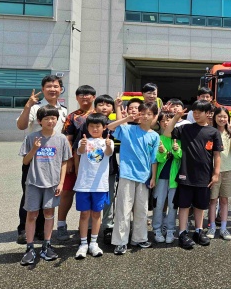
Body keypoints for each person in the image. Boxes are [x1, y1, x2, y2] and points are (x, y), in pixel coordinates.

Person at [15, 75, 68, 244]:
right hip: (34, 158)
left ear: (60, 89)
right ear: (43, 89)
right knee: (29, 194)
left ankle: (40, 230)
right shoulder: (34, 107)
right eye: (49, 86)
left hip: (52, 160)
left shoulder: (63, 110)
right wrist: (27, 106)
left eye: (56, 86)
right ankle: (24, 229)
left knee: (49, 194)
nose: (53, 89)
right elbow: (21, 126)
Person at [165, 100, 223, 250]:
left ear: (208, 113)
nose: (196, 115)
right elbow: (167, 133)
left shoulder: (213, 132)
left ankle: (198, 231)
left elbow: (217, 155)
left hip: (204, 175)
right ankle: (182, 233)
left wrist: (216, 173)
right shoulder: (185, 128)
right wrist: (176, 117)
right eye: (194, 112)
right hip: (185, 173)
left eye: (199, 112)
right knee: (183, 205)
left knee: (200, 205)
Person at [19, 105, 71, 265]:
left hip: (53, 183)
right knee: (32, 214)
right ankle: (29, 248)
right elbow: (25, 161)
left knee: (49, 213)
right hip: (34, 182)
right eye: (46, 118)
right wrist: (34, 149)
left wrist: (61, 183)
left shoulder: (61, 139)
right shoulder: (31, 137)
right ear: (39, 121)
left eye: (53, 118)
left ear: (57, 120)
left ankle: (46, 245)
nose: (50, 121)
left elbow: (64, 162)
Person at [108, 100, 160, 254]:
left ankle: (139, 238)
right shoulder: (128, 129)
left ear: (154, 116)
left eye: (149, 114)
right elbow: (110, 127)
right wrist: (125, 117)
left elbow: (154, 159)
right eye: (142, 113)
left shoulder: (155, 136)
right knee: (123, 208)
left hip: (144, 177)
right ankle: (120, 241)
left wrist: (153, 177)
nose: (145, 116)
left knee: (141, 209)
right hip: (127, 174)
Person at [72, 94, 118, 244]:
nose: (104, 107)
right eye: (101, 104)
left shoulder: (111, 126)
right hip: (87, 174)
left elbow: (110, 150)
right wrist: (77, 169)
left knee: (107, 202)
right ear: (95, 107)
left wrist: (119, 109)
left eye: (108, 105)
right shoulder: (86, 126)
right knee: (87, 209)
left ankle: (107, 228)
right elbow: (78, 150)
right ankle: (88, 232)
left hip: (108, 171)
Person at [56, 84, 96, 242]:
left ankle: (85, 227)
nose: (84, 97)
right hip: (75, 160)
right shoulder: (72, 117)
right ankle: (61, 225)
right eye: (81, 94)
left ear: (94, 97)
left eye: (88, 94)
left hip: (93, 163)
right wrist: (70, 160)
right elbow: (68, 139)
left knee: (90, 195)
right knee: (67, 192)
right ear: (76, 98)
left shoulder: (98, 115)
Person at [152, 111, 182, 245]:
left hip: (174, 178)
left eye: (168, 120)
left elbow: (180, 156)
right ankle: (157, 229)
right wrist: (163, 153)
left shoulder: (179, 138)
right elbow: (157, 159)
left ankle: (170, 230)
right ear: (159, 123)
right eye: (163, 120)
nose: (165, 123)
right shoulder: (158, 138)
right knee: (158, 204)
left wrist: (176, 150)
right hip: (161, 177)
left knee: (173, 205)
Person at [207, 107, 231, 240]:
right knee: (213, 200)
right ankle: (212, 226)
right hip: (213, 171)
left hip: (227, 170)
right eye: (219, 116)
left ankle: (224, 228)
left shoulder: (229, 133)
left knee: (224, 200)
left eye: (225, 116)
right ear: (214, 117)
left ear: (228, 118)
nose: (222, 119)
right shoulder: (210, 132)